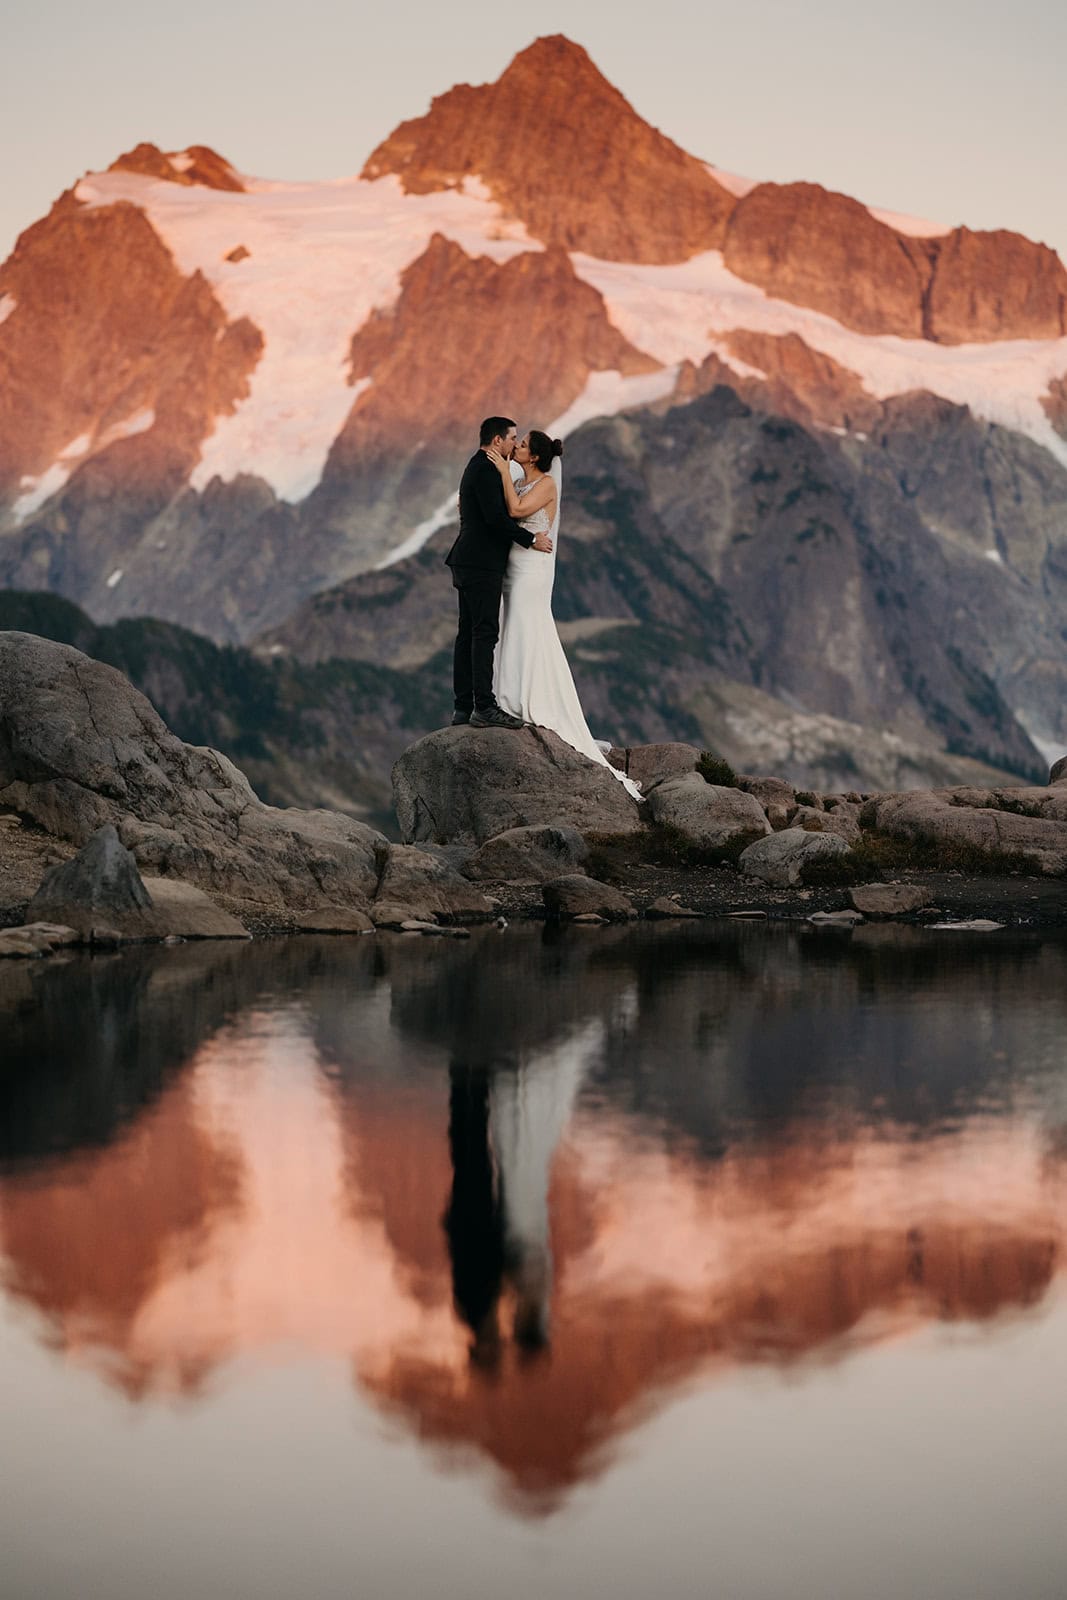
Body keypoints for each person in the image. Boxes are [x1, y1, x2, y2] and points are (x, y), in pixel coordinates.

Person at [486, 430, 643, 800]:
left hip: (532, 571)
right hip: (516, 566)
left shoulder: (544, 485)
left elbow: (516, 511)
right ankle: (508, 693)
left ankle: (527, 699)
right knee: (512, 625)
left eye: (522, 445)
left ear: (535, 457)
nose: (517, 448)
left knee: (528, 626)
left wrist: (504, 472)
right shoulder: (526, 480)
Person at [445, 416, 553, 729]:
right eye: (512, 438)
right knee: (484, 633)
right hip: (481, 563)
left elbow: (471, 509)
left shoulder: (476, 466)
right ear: (497, 441)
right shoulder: (488, 469)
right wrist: (531, 539)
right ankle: (484, 707)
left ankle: (463, 708)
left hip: (467, 560)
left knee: (468, 633)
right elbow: (495, 519)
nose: (513, 444)